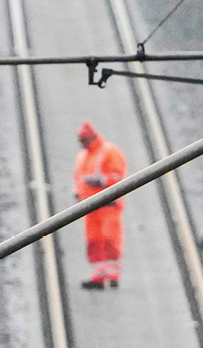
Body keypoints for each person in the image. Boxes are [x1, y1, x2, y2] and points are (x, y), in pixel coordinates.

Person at [74, 122, 127, 289]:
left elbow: (118, 175)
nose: (82, 143)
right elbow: (79, 177)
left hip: (108, 205)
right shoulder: (83, 155)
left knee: (110, 239)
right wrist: (78, 193)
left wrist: (103, 181)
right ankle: (99, 275)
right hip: (90, 207)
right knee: (94, 241)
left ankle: (113, 274)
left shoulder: (108, 151)